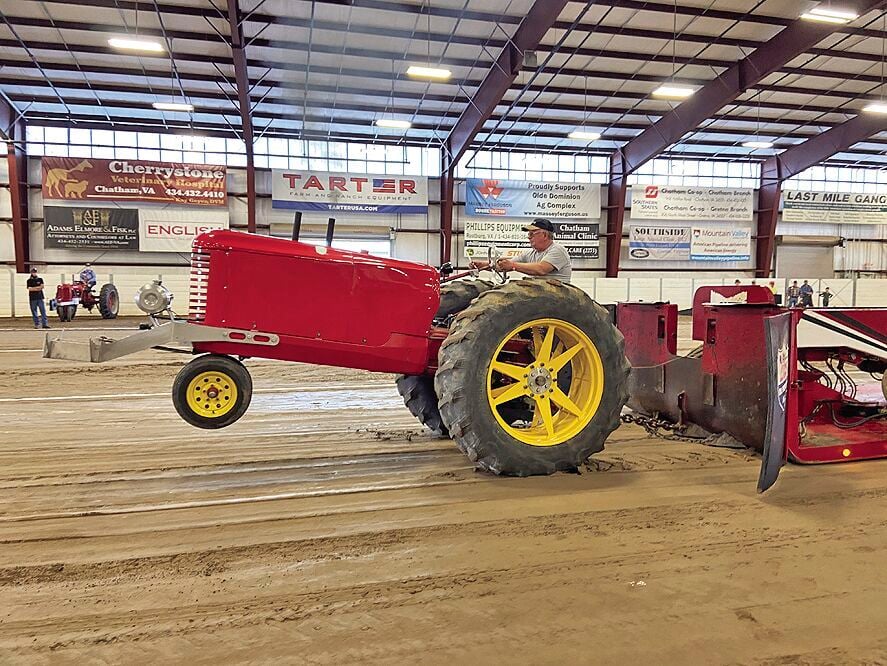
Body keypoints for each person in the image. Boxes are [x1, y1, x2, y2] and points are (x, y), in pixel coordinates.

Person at [470, 218, 572, 283]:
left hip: (556, 294)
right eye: (528, 234)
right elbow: (506, 265)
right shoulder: (530, 253)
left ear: (544, 235)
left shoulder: (557, 250)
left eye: (532, 234)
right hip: (541, 291)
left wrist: (513, 266)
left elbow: (541, 269)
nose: (529, 237)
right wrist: (483, 265)